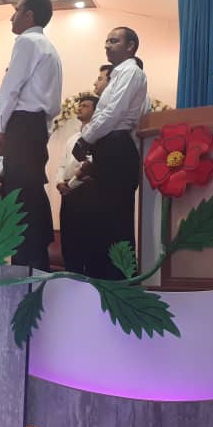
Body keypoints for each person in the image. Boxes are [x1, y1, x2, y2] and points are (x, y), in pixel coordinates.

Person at [0, 0, 63, 271]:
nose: (12, 16)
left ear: (29, 15)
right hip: (36, 128)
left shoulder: (27, 41)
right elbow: (52, 106)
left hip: (21, 126)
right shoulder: (50, 49)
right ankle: (37, 261)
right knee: (31, 193)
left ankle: (25, 266)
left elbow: (11, 88)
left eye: (17, 10)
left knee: (19, 197)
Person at [72, 27, 148, 279]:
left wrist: (85, 138)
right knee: (103, 221)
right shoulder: (117, 74)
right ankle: (103, 280)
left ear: (131, 46)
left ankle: (119, 282)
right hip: (109, 147)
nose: (107, 45)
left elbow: (113, 112)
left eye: (114, 41)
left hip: (117, 147)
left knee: (115, 221)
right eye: (106, 41)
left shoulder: (131, 72)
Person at [55, 94, 99, 274]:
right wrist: (60, 183)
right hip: (67, 193)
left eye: (86, 105)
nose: (80, 108)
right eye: (80, 105)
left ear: (96, 111)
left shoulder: (97, 138)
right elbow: (62, 164)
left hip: (85, 192)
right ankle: (70, 276)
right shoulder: (72, 139)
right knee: (69, 239)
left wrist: (72, 184)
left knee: (86, 240)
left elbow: (89, 166)